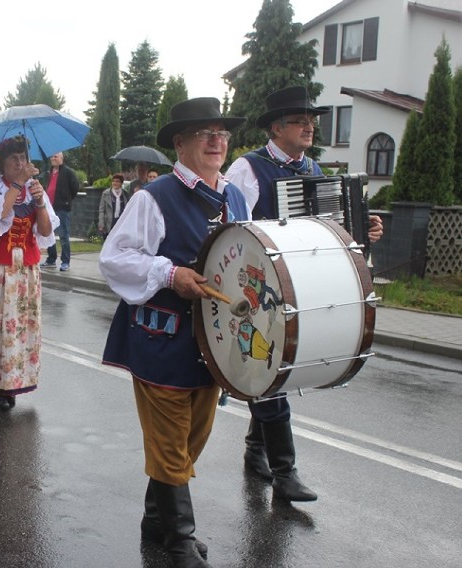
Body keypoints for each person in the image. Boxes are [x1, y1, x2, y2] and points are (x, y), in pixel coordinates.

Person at [100, 97, 249, 568]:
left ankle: (155, 518)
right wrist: (170, 275)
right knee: (169, 441)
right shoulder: (154, 196)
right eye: (204, 133)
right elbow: (115, 258)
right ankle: (180, 537)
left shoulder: (236, 196)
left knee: (192, 439)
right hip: (161, 336)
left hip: (213, 341)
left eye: (221, 134)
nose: (216, 141)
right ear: (180, 143)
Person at [225, 85, 384, 503]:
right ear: (277, 129)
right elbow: (233, 228)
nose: (309, 127)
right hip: (259, 285)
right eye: (299, 121)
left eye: (311, 121)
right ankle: (285, 472)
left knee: (277, 368)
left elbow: (330, 230)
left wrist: (362, 230)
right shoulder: (248, 169)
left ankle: (255, 450)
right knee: (272, 369)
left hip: (300, 284)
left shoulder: (313, 170)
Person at [0, 136, 59, 411]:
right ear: (2, 164)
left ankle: (15, 382)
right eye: (14, 159)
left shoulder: (34, 189)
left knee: (21, 330)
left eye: (23, 157)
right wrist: (17, 185)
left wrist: (40, 202)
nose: (20, 163)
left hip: (26, 272)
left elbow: (45, 232)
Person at [39, 151, 79, 272]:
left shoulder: (68, 172)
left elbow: (75, 188)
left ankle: (65, 262)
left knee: (63, 236)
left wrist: (66, 200)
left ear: (62, 158)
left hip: (62, 208)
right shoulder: (49, 172)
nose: (53, 158)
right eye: (52, 156)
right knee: (49, 234)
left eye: (55, 156)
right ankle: (51, 260)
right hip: (49, 208)